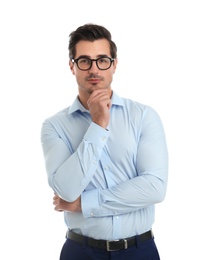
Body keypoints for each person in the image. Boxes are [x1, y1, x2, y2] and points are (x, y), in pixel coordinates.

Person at [41, 23, 168, 260]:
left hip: (140, 251)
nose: (94, 69)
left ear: (114, 64)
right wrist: (98, 125)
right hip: (80, 252)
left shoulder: (143, 116)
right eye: (84, 61)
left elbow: (154, 188)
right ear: (72, 66)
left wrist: (85, 204)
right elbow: (67, 191)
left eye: (102, 60)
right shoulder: (54, 126)